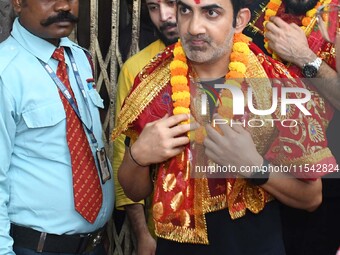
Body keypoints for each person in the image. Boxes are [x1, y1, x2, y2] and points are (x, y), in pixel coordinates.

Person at [112, 0, 336, 254]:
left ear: (239, 20)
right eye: (186, 10)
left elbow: (311, 198)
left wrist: (254, 168)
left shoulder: (276, 86)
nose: (194, 27)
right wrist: (137, 157)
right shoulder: (153, 83)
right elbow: (134, 189)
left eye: (211, 12)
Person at [0, 0, 114, 254]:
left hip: (94, 244)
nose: (64, 5)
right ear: (18, 3)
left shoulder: (79, 57)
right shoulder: (5, 73)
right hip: (38, 247)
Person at [246, 1, 340, 254]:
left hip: (326, 193)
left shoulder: (336, 15)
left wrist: (304, 57)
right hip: (254, 184)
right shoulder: (252, 8)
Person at [113, 0, 178, 253]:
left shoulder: (238, 62)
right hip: (164, 226)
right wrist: (142, 232)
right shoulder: (136, 69)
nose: (164, 16)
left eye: (172, 4)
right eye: (153, 7)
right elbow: (123, 152)